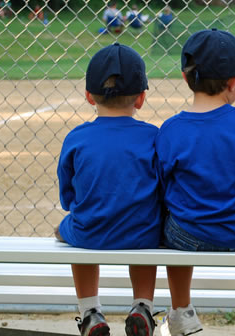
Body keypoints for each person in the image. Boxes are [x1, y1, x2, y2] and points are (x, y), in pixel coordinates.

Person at [156, 29, 235, 336]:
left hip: (187, 235)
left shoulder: (171, 129)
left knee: (170, 218)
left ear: (185, 78)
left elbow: (164, 184)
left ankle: (182, 310)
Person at [56, 42, 164, 336]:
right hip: (142, 233)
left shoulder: (76, 138)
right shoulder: (154, 137)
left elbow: (68, 198)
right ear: (141, 99)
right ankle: (142, 306)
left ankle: (90, 312)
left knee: (71, 226)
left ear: (89, 96)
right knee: (147, 230)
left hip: (91, 232)